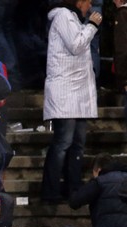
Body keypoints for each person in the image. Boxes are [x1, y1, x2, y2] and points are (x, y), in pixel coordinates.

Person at [40, 0, 101, 204]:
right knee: (63, 143)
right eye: (88, 2)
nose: (90, 6)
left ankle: (73, 188)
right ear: (78, 1)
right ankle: (50, 190)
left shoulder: (73, 18)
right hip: (65, 94)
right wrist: (92, 25)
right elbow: (76, 45)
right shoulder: (63, 16)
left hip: (79, 95)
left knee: (77, 145)